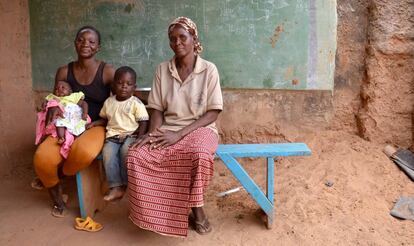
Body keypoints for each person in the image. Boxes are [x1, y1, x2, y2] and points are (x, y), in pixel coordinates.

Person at [127, 17, 223, 237]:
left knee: (198, 154)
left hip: (201, 129)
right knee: (136, 155)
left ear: (194, 39)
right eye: (172, 39)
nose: (177, 42)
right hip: (168, 129)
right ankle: (167, 214)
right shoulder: (163, 69)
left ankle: (197, 211)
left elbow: (213, 112)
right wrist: (153, 134)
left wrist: (179, 134)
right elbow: (157, 109)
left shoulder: (209, 69)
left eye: (183, 37)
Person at [33, 25, 115, 217]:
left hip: (93, 124)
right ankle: (58, 200)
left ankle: (62, 173)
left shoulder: (107, 71)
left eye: (91, 42)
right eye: (81, 40)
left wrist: (104, 123)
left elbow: (117, 101)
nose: (85, 44)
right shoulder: (64, 71)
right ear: (75, 44)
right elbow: (55, 100)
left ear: (98, 47)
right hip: (65, 125)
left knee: (84, 152)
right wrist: (51, 108)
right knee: (42, 159)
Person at [87, 66, 149, 202]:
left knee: (126, 152)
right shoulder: (109, 102)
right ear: (114, 85)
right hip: (113, 137)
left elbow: (143, 121)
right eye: (120, 83)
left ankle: (126, 184)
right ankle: (116, 186)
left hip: (131, 135)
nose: (124, 87)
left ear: (134, 87)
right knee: (108, 154)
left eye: (128, 84)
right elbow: (105, 118)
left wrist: (140, 137)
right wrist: (95, 123)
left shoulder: (135, 103)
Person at [37, 80, 89, 148]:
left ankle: (78, 138)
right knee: (59, 123)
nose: (59, 89)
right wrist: (45, 104)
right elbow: (47, 103)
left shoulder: (73, 96)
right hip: (63, 116)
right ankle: (61, 137)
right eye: (56, 88)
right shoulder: (54, 98)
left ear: (70, 91)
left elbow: (83, 103)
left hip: (74, 116)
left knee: (80, 127)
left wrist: (85, 113)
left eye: (63, 87)